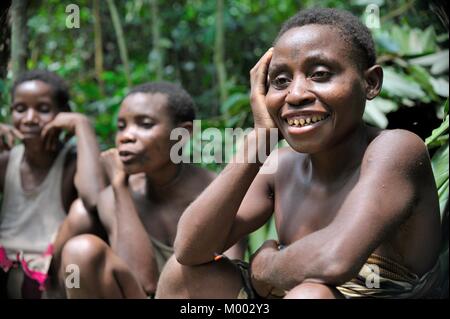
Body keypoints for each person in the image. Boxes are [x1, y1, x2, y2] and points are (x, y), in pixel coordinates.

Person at [155, 8, 443, 299]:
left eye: (319, 74)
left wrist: (265, 266)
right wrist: (260, 139)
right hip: (288, 293)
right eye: (280, 81)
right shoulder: (280, 167)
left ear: (370, 83)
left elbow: (335, 259)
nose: (295, 95)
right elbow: (189, 249)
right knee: (181, 276)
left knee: (310, 295)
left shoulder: (395, 149)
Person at [60, 82, 247, 298]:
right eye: (121, 126)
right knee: (79, 250)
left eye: (145, 124)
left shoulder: (222, 193)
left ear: (182, 134)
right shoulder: (117, 194)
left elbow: (230, 284)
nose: (126, 136)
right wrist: (119, 188)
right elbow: (143, 283)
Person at [0, 70, 105, 298]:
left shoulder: (71, 163)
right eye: (20, 109)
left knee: (82, 215)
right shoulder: (7, 162)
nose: (29, 118)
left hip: (53, 275)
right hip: (7, 266)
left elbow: (95, 198)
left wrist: (82, 125)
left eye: (43, 109)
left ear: (62, 115)